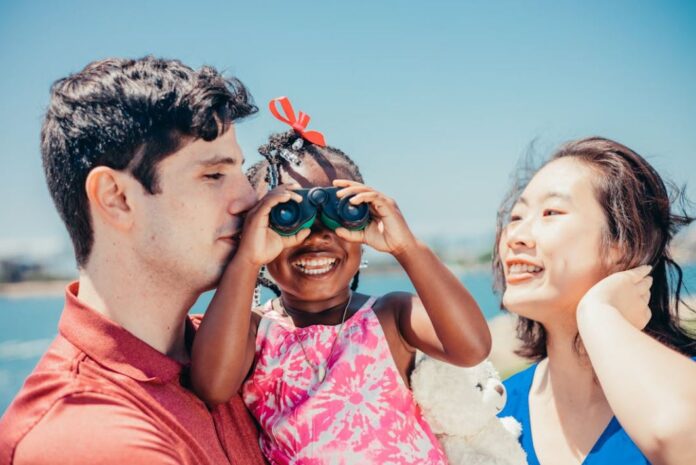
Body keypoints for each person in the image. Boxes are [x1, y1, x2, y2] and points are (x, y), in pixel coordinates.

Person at [190, 97, 493, 464]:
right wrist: (246, 259)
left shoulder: (389, 315)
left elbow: (471, 347)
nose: (317, 236)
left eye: (342, 212)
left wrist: (406, 247)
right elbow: (211, 386)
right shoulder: (253, 331)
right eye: (288, 215)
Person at [0, 56, 267, 465]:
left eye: (241, 173)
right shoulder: (87, 439)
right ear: (116, 198)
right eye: (214, 175)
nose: (249, 199)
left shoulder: (251, 350)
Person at [495, 137, 696, 465]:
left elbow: (682, 437)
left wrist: (598, 313)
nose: (515, 236)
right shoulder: (497, 410)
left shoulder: (679, 388)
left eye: (551, 212)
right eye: (516, 217)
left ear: (623, 244)